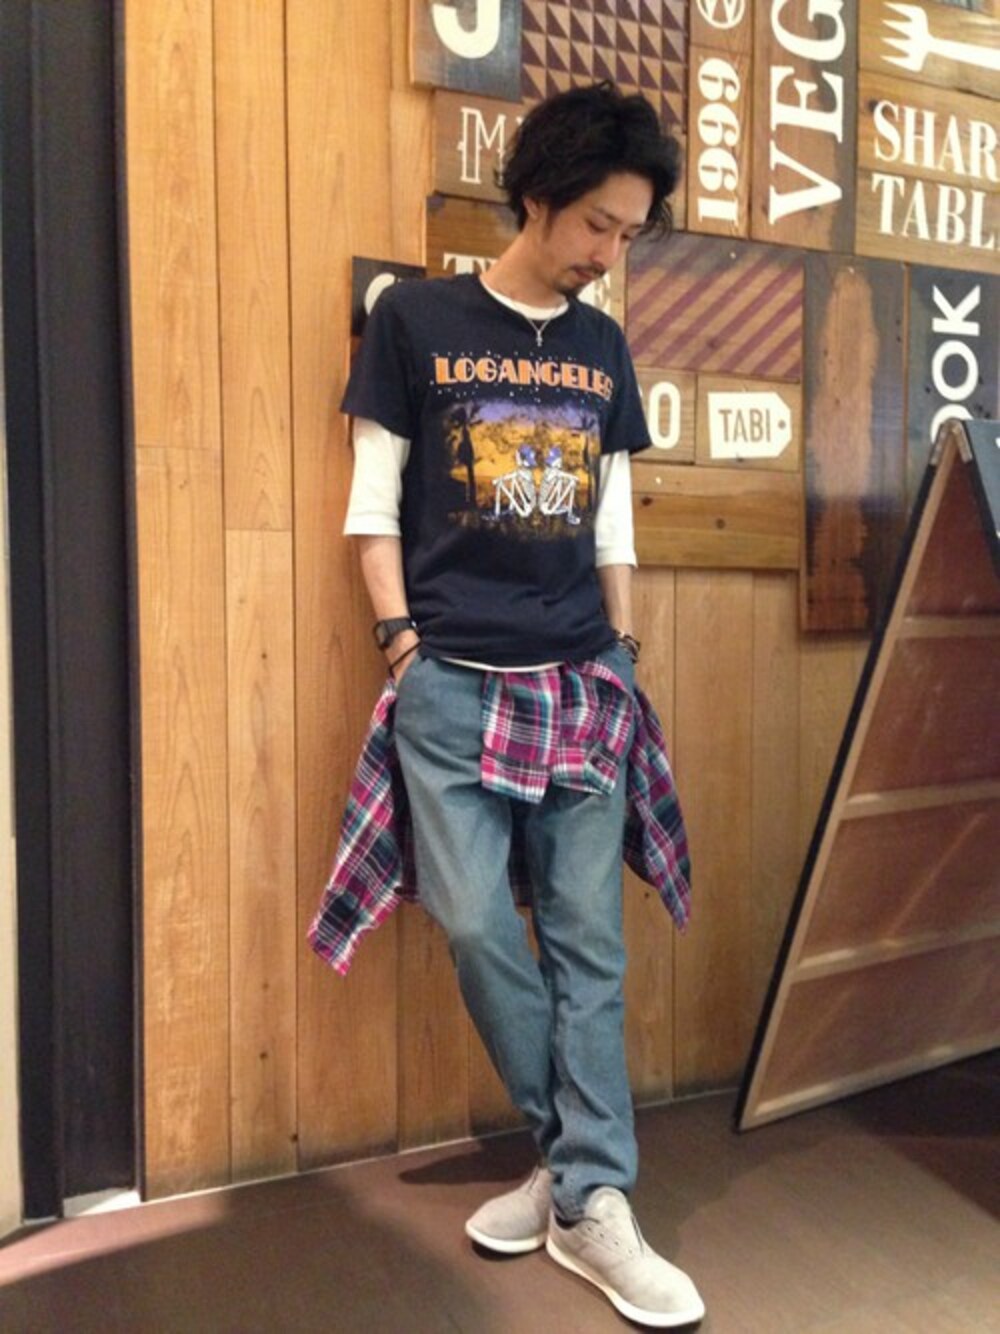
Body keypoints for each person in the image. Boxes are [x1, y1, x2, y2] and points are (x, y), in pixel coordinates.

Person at [327, 82, 705, 1328]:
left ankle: (590, 1194)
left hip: (581, 679)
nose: (609, 253)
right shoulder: (415, 319)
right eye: (598, 225)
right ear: (538, 197)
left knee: (588, 940)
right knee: (481, 927)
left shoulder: (600, 346)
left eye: (629, 233)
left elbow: (609, 514)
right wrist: (400, 644)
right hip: (446, 682)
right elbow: (373, 504)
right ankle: (573, 1165)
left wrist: (623, 647)